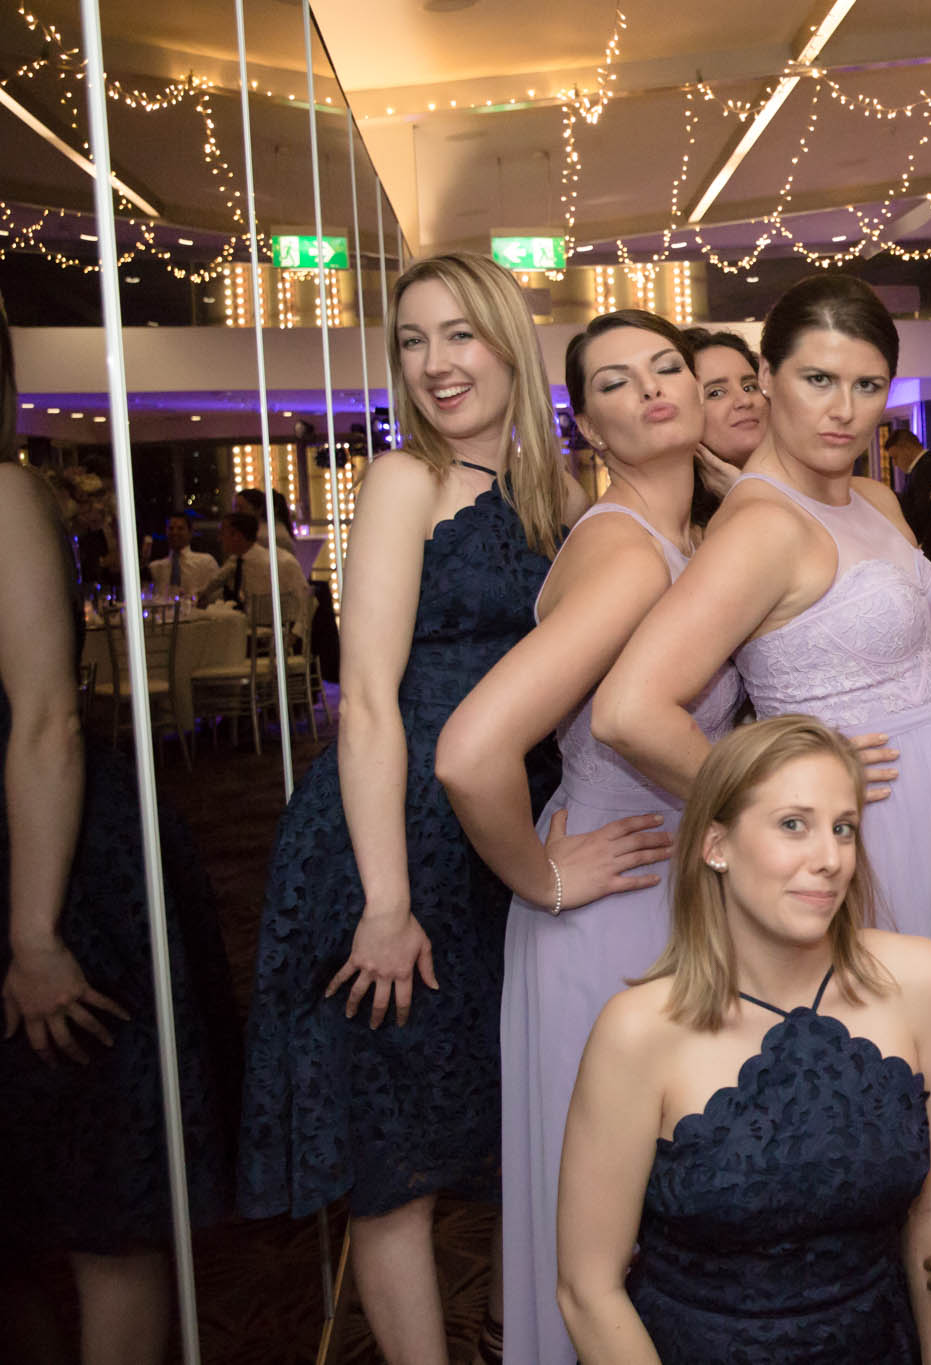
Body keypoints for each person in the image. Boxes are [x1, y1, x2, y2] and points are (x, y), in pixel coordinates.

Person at [237, 251, 581, 1365]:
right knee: (395, 1156)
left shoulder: (561, 496)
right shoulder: (403, 479)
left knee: (499, 1117)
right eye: (414, 341)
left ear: (509, 344)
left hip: (501, 835)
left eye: (459, 333)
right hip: (392, 839)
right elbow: (370, 703)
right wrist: (385, 902)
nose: (435, 363)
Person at [435, 309, 746, 1365]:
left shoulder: (690, 533)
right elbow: (471, 749)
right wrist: (544, 879)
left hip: (670, 887)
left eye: (667, 367)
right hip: (617, 899)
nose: (651, 388)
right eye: (615, 382)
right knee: (617, 1217)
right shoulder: (626, 555)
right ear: (587, 427)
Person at [556, 716, 931, 1364]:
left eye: (843, 828)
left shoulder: (919, 981)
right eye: (793, 824)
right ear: (716, 845)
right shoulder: (639, 1030)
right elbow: (587, 1290)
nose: (829, 858)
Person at [595, 276, 931, 942]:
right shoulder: (762, 526)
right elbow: (628, 710)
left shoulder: (874, 499)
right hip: (861, 826)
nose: (845, 411)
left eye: (868, 385)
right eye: (818, 380)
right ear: (768, 377)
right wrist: (772, 792)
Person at [0, 451, 239, 1362]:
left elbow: (47, 719)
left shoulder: (4, 490)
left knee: (107, 1202)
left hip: (49, 863)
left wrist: (35, 934)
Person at [680, 328, 767, 508]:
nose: (745, 400)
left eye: (750, 387)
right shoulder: (675, 516)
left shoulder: (812, 484)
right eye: (716, 393)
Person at [197, 512, 312, 632]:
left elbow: (305, 599)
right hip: (240, 630)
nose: (219, 539)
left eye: (222, 534)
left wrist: (295, 633)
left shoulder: (279, 563)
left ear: (236, 535)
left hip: (270, 633)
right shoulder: (234, 562)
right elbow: (212, 586)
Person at [885, 427, 931, 564]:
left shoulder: (928, 469)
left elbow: (925, 514)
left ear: (907, 449)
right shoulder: (920, 469)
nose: (895, 464)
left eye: (895, 457)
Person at [145, 511, 217, 599]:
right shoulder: (155, 568)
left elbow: (216, 594)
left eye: (180, 528)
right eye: (171, 528)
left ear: (190, 532)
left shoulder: (206, 562)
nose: (175, 532)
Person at [234, 485, 298, 554]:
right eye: (235, 508)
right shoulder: (260, 532)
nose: (236, 513)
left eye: (241, 508)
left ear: (258, 510)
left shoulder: (265, 536)